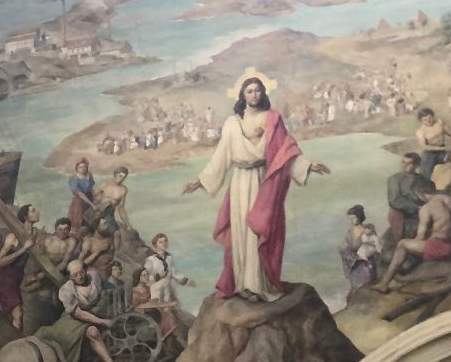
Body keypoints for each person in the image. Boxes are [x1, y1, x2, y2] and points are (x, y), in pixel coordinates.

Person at [183, 72, 330, 301]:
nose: (254, 94)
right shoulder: (232, 122)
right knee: (240, 232)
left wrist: (308, 166)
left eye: (258, 89)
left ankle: (257, 284)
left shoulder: (271, 117)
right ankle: (243, 283)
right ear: (242, 94)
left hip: (263, 180)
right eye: (249, 90)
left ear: (263, 93)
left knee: (256, 230)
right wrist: (200, 181)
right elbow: (220, 157)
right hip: (240, 181)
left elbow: (285, 150)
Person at [29, 260, 131, 362]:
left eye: (81, 272)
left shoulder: (94, 276)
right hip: (73, 321)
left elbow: (104, 290)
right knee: (92, 333)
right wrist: (104, 322)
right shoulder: (66, 290)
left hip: (96, 313)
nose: (80, 276)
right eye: (75, 275)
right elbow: (78, 314)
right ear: (70, 277)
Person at [375, 186, 451, 292]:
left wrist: (413, 245)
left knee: (402, 244)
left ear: (420, 193)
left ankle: (384, 284)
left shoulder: (426, 209)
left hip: (441, 248)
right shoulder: (449, 199)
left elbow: (420, 237)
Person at [0, 205, 39, 330]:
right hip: (5, 279)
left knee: (13, 318)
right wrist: (23, 248)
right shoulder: (13, 236)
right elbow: (0, 262)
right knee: (18, 315)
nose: (37, 212)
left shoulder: (35, 233)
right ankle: (18, 345)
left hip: (16, 280)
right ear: (25, 216)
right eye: (33, 210)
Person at [387, 152, 435, 242]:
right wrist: (416, 207)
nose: (404, 165)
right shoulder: (394, 179)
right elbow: (395, 200)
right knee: (394, 213)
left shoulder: (424, 180)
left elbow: (431, 194)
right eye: (403, 162)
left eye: (408, 163)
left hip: (421, 210)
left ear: (417, 165)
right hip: (401, 211)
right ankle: (400, 243)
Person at [142, 233, 196, 303]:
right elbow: (145, 277)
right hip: (156, 293)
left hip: (167, 292)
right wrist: (158, 276)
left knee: (167, 308)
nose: (164, 243)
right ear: (155, 245)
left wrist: (186, 281)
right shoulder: (151, 259)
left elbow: (174, 273)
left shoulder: (169, 258)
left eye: (165, 241)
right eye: (160, 242)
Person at [339, 205, 381, 289]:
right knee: (356, 290)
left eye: (353, 218)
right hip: (355, 265)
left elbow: (376, 245)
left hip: (368, 263)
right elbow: (344, 249)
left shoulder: (369, 229)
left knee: (368, 289)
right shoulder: (349, 233)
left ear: (360, 217)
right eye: (349, 218)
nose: (351, 221)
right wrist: (356, 257)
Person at [75, 217, 117, 283]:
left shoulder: (110, 237)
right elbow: (81, 262)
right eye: (104, 224)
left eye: (107, 223)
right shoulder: (89, 242)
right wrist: (99, 251)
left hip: (110, 272)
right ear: (97, 227)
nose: (107, 226)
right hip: (96, 274)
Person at [415, 107, 450, 181]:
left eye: (430, 118)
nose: (428, 121)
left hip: (442, 149)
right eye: (425, 120)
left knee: (448, 168)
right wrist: (442, 149)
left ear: (433, 116)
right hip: (429, 152)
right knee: (427, 173)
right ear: (421, 121)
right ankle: (426, 187)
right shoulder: (420, 131)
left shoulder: (439, 122)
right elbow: (424, 147)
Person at [67, 159, 97, 229]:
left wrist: (95, 198)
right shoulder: (73, 179)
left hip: (90, 198)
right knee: (79, 220)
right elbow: (80, 194)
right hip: (79, 202)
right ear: (77, 168)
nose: (83, 169)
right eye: (80, 167)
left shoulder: (89, 175)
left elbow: (91, 188)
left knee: (90, 219)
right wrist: (92, 205)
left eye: (85, 167)